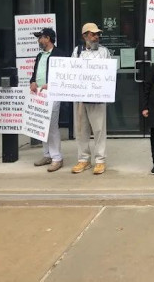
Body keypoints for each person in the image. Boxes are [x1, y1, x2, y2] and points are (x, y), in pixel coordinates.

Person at [70, 23, 111, 175]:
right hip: (81, 96)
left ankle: (100, 160)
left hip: (98, 96)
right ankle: (83, 159)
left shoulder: (104, 51)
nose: (96, 37)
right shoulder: (77, 51)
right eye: (93, 34)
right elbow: (71, 70)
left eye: (97, 34)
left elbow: (108, 73)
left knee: (99, 129)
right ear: (85, 36)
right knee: (81, 129)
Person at [29, 28, 66, 172]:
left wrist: (50, 84)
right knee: (41, 125)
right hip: (39, 94)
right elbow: (35, 73)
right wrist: (32, 82)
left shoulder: (59, 54)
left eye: (41, 37)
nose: (39, 40)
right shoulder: (39, 55)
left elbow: (63, 74)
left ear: (48, 38)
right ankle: (47, 154)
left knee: (51, 126)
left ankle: (57, 157)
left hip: (52, 93)